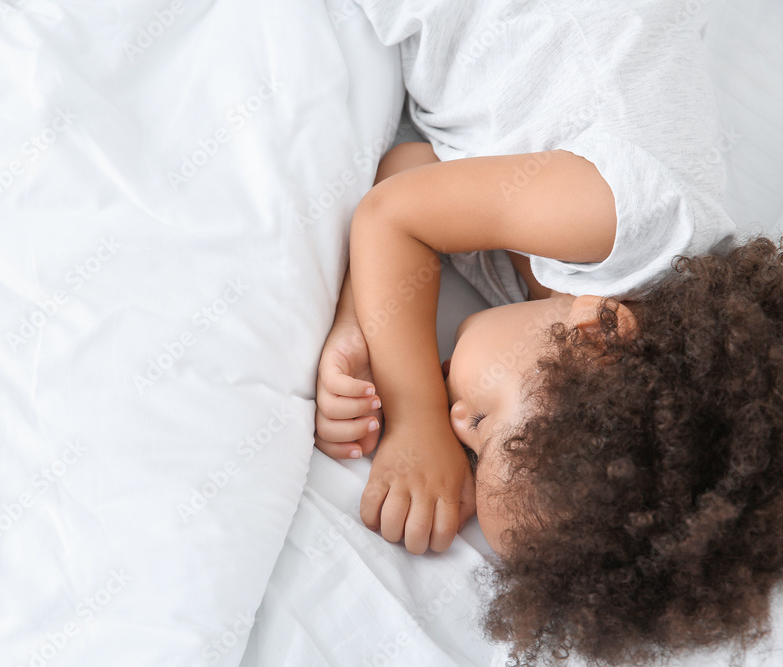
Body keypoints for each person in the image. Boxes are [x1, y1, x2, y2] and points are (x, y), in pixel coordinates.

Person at [313, 1, 783, 663]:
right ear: (598, 334)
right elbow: (393, 215)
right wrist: (411, 418)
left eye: (465, 446)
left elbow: (412, 176)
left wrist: (357, 331)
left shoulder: (563, 311)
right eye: (489, 423)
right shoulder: (619, 220)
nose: (456, 419)